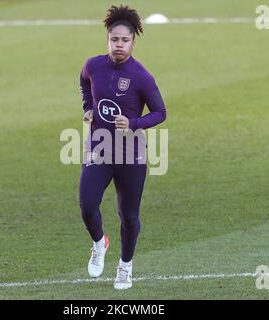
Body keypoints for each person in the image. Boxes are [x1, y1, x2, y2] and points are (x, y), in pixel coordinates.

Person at [79, 5, 167, 290]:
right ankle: (99, 242)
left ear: (133, 42)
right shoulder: (93, 65)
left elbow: (160, 112)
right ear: (107, 39)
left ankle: (125, 268)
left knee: (128, 216)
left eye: (124, 40)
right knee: (87, 203)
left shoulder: (142, 76)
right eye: (114, 39)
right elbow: (83, 81)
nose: (119, 45)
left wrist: (133, 123)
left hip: (130, 154)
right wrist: (88, 108)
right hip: (99, 147)